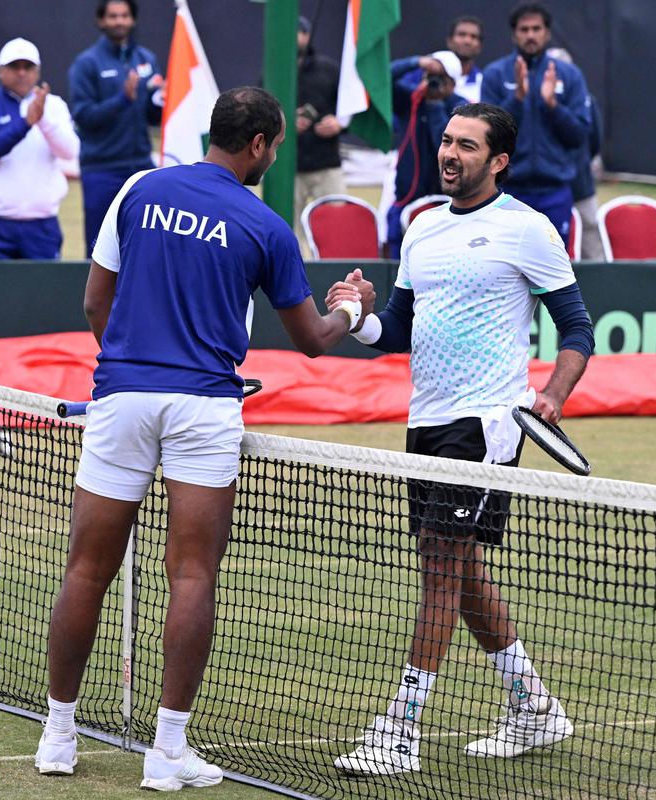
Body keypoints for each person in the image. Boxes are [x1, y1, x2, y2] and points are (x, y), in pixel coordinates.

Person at [35, 86, 370, 791]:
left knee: (85, 570)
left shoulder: (138, 189)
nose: (274, 157)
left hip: (121, 398)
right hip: (202, 408)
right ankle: (166, 754)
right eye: (275, 147)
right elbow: (311, 339)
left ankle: (58, 737)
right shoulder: (265, 225)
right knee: (191, 575)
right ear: (257, 146)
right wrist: (348, 308)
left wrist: (128, 363)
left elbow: (97, 302)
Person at [330, 103, 594, 775]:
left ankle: (401, 731)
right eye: (447, 141)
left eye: (466, 146)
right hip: (426, 420)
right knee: (459, 565)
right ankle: (535, 706)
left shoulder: (528, 230)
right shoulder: (421, 228)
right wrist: (357, 317)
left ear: (498, 160)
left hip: (487, 425)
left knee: (440, 566)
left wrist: (553, 396)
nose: (449, 153)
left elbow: (576, 329)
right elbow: (395, 328)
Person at [480, 2, 592, 248]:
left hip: (554, 191)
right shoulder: (496, 74)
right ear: (514, 34)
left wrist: (553, 106)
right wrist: (517, 99)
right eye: (524, 29)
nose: (530, 35)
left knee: (552, 267)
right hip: (507, 190)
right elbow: (486, 135)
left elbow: (580, 135)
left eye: (536, 29)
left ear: (547, 33)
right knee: (505, 264)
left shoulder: (569, 75)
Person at [0, 38, 79, 260]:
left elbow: (70, 151)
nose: (22, 73)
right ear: (0, 71)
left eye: (28, 67)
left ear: (37, 71)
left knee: (43, 292)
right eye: (14, 67)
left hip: (41, 224)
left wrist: (43, 120)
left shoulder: (53, 106)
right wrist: (25, 123)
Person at [69, 0, 164, 257]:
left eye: (124, 15)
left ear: (133, 20)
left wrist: (160, 101)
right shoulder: (87, 64)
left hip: (142, 167)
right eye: (113, 16)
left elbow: (152, 117)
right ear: (101, 21)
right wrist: (122, 99)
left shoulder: (146, 59)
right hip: (102, 169)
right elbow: (83, 117)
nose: (119, 21)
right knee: (100, 248)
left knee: (146, 244)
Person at [385, 50, 464, 257]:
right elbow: (382, 78)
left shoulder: (463, 110)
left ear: (453, 84)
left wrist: (435, 106)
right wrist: (417, 61)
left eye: (441, 78)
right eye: (431, 76)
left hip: (446, 202)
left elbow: (446, 147)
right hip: (406, 196)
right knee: (398, 263)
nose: (433, 83)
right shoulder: (412, 99)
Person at [294, 15, 346, 245]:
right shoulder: (273, 72)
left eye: (299, 31)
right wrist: (284, 121)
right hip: (289, 168)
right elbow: (261, 109)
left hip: (326, 164)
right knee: (288, 228)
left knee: (338, 223)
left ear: (307, 35)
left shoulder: (329, 69)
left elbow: (349, 106)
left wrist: (339, 123)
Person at [547, 46, 603, 260]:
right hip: (545, 186)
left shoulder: (585, 100)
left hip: (580, 185)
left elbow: (594, 139)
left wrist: (579, 164)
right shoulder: (531, 100)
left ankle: (601, 289)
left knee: (591, 239)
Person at [447, 15, 484, 104]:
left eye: (473, 36)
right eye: (462, 34)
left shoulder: (483, 82)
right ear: (449, 41)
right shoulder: (427, 74)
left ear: (480, 46)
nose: (467, 41)